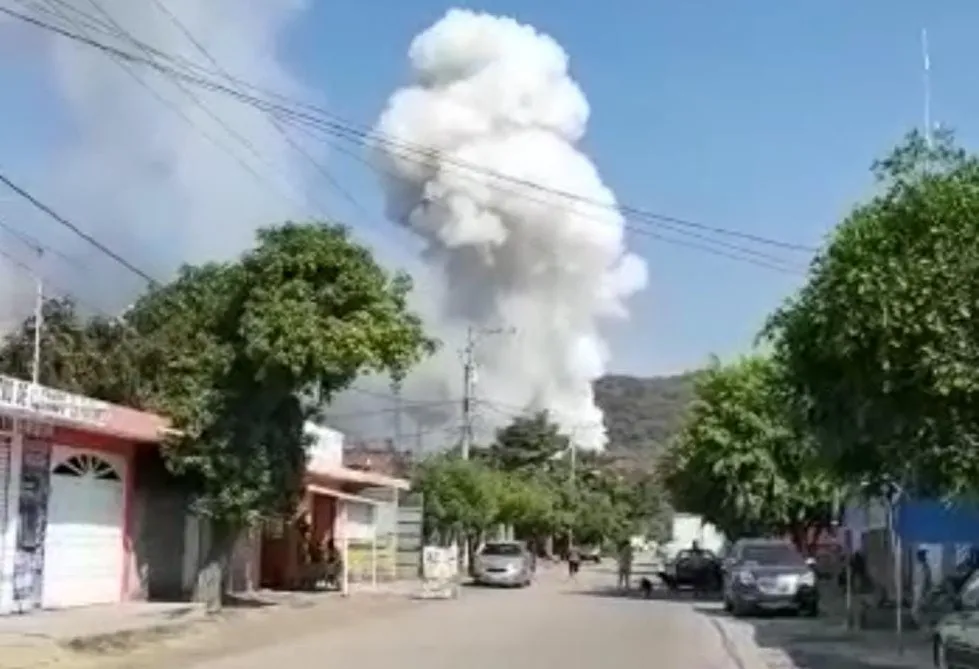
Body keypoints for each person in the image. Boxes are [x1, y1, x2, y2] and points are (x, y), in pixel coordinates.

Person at [912, 547, 934, 627]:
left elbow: (928, 579)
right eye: (923, 555)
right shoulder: (918, 566)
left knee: (923, 607)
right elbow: (915, 579)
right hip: (918, 589)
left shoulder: (926, 566)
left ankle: (921, 622)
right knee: (917, 607)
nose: (924, 557)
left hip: (923, 589)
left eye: (924, 555)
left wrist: (928, 589)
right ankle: (917, 622)